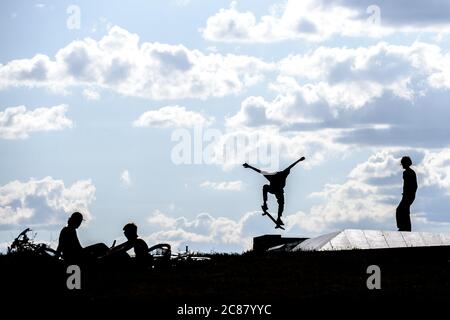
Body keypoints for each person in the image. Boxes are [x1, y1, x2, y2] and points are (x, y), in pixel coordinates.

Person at [243, 157, 305, 225]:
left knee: (265, 187)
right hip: (278, 191)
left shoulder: (272, 176)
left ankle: (265, 205)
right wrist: (299, 160)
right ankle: (278, 218)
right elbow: (291, 166)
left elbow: (259, 171)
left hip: (273, 190)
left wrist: (249, 166)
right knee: (281, 204)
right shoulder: (283, 174)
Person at [396, 156, 418, 232]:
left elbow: (413, 185)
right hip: (408, 195)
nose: (402, 165)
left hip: (408, 195)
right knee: (404, 210)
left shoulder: (408, 172)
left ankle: (403, 227)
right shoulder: (409, 172)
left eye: (402, 163)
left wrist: (409, 194)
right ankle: (405, 227)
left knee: (400, 210)